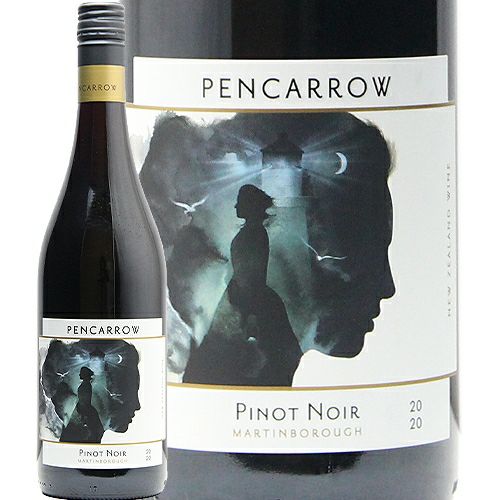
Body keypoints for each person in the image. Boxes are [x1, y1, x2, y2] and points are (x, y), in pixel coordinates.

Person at [184, 185, 303, 386]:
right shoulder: (252, 231)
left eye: (239, 201)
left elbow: (254, 273)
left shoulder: (255, 233)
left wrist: (250, 312)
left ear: (249, 205)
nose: (235, 206)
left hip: (247, 297)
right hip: (242, 294)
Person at [60, 366, 104, 443]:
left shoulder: (86, 385)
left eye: (81, 373)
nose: (79, 374)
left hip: (83, 409)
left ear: (84, 374)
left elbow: (86, 400)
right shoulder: (85, 384)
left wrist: (83, 414)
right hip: (82, 407)